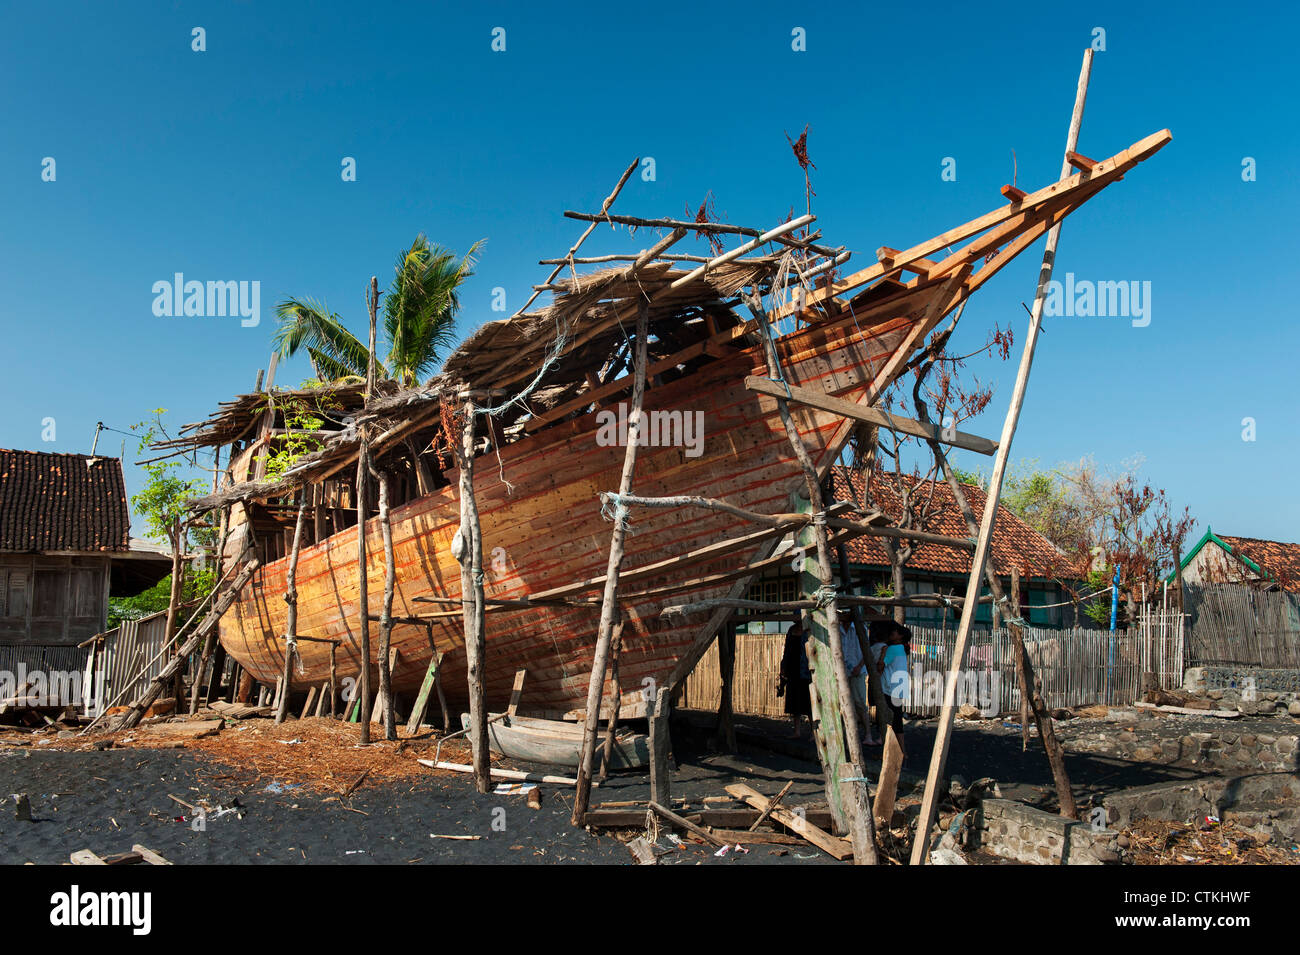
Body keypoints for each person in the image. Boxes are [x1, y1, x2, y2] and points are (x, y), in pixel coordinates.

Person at [778, 621, 813, 738]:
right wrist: (783, 666)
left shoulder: (809, 630)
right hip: (792, 671)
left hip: (806, 671)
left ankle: (815, 733)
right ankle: (797, 732)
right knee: (794, 703)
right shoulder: (791, 630)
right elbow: (786, 650)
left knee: (809, 703)